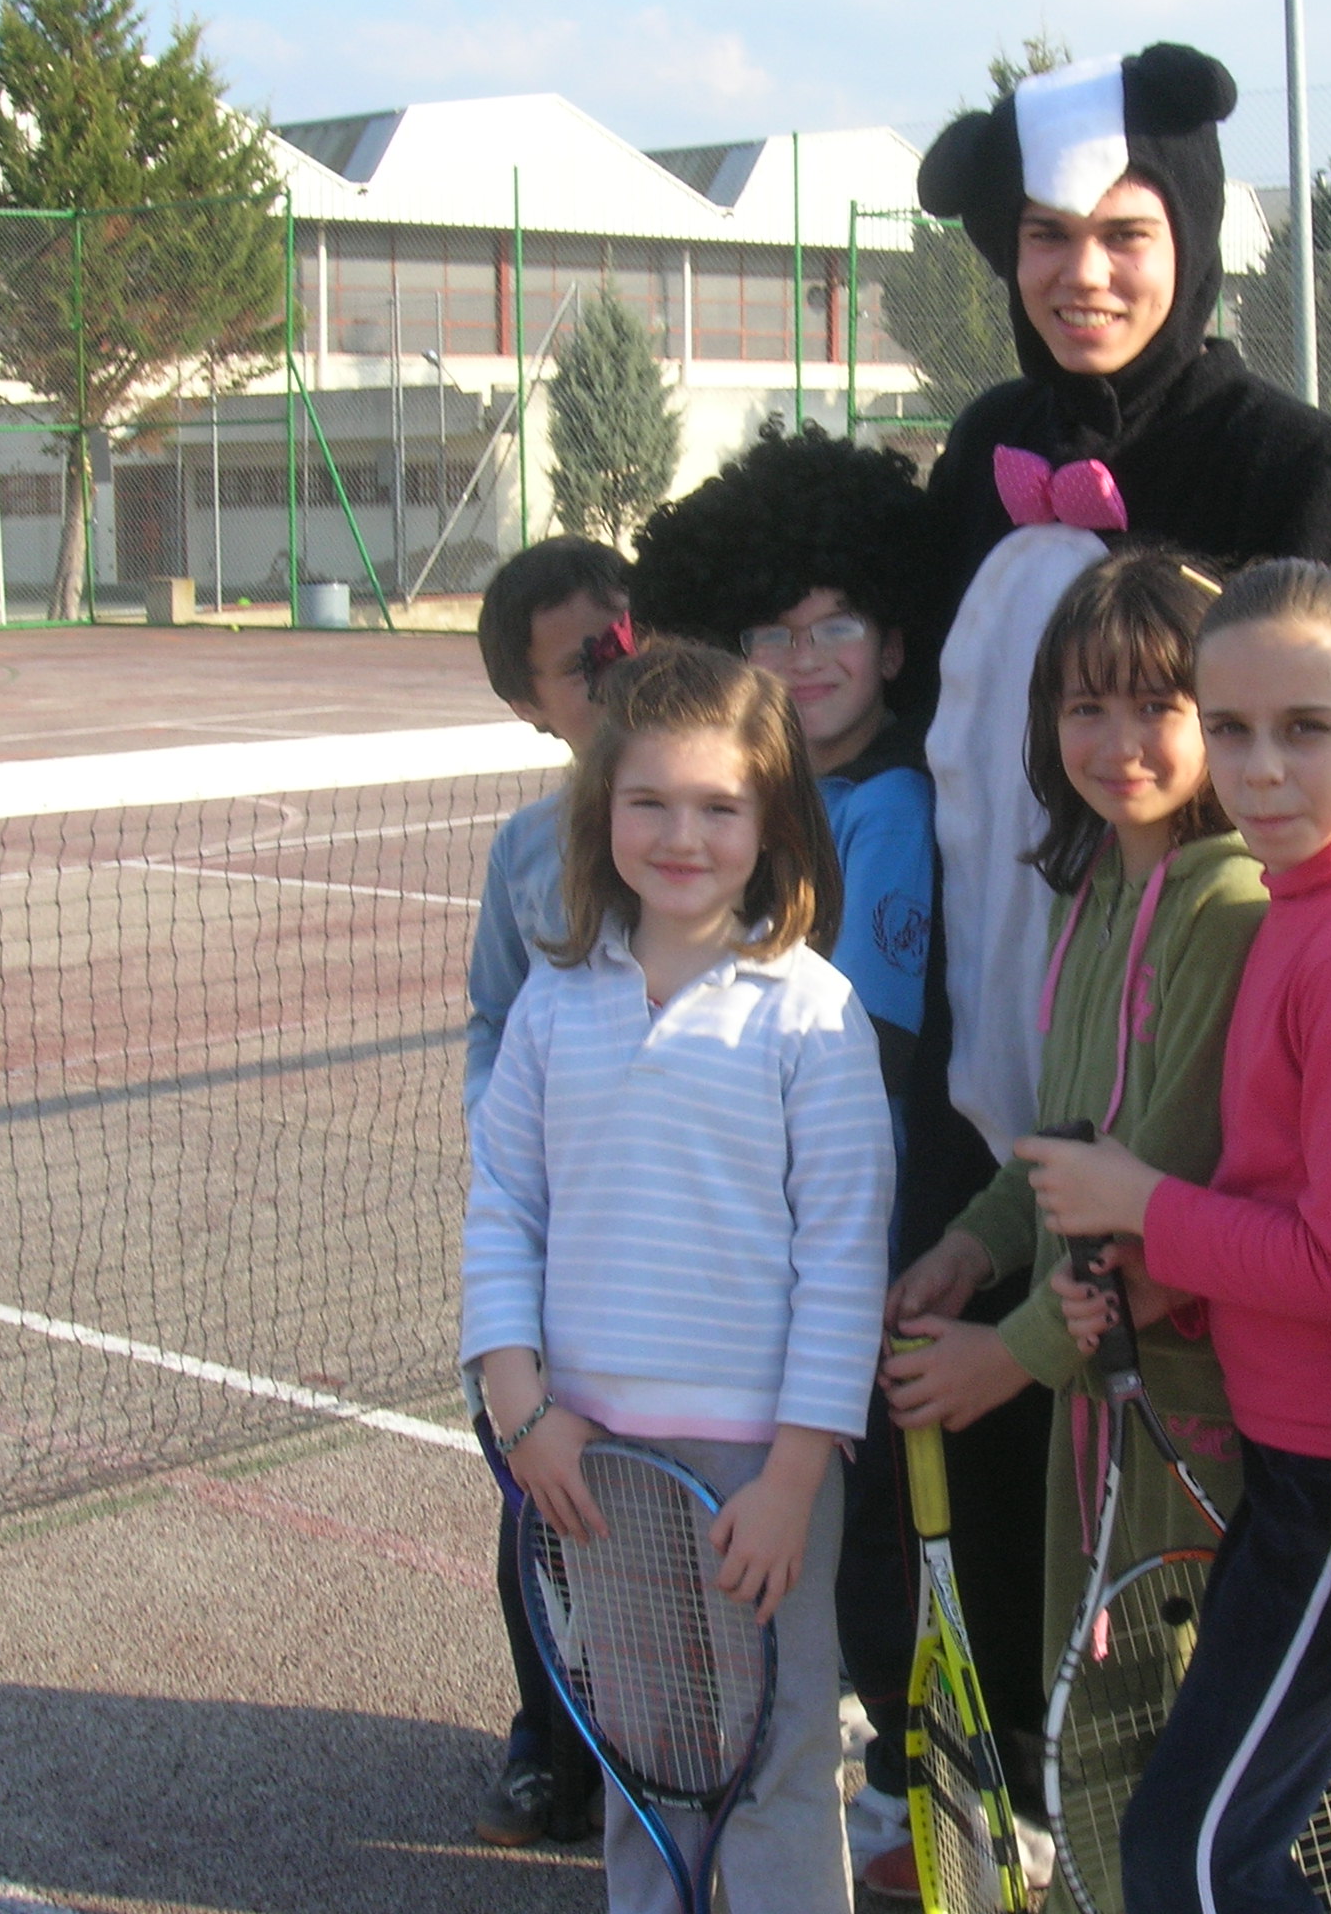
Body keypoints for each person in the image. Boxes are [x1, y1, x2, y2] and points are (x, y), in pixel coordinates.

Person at [913, 43, 1331, 1181]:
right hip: (983, 1038)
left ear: (1192, 238)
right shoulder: (983, 451)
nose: (1083, 273)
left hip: (1208, 1095)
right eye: (1046, 235)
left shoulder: (1309, 477)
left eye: (1125, 235)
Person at [1033, 558, 1331, 1914]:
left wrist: (1141, 1207)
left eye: (1306, 728)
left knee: (1193, 1857)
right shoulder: (1307, 910)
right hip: (1317, 1458)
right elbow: (1289, 1200)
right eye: (1231, 730)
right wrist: (1159, 1259)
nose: (1261, 769)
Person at [461, 642, 894, 1914]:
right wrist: (522, 1408)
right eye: (649, 802)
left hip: (763, 1470)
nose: (682, 836)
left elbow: (843, 1261)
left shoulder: (813, 1015)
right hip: (592, 1462)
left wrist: (795, 1479)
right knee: (645, 1754)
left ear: (772, 825)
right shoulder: (554, 1004)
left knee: (777, 1762)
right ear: (603, 812)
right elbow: (505, 1207)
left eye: (719, 806)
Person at [872, 548, 1267, 1909]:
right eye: (1085, 707)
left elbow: (1158, 1206)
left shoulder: (1232, 906)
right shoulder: (1090, 887)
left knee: (1170, 1762)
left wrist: (1007, 1357)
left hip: (1183, 1420)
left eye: (1160, 705)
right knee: (1093, 1746)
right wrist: (973, 1248)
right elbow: (1060, 1139)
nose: (1119, 742)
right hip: (1091, 1416)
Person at [630, 420, 944, 1884]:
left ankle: (889, 1789)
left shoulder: (886, 813)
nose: (807, 657)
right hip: (744, 1248)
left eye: (838, 627)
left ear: (894, 643)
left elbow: (863, 1055)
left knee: (852, 1532)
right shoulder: (758, 808)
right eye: (776, 630)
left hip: (841, 1238)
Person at [463, 535, 637, 1846]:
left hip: (678, 1249)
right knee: (540, 1494)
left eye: (628, 638)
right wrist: (513, 1153)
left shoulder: (729, 809)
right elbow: (492, 1019)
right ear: (531, 705)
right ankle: (551, 1741)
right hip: (561, 1240)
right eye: (583, 663)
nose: (616, 670)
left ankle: (673, 1741)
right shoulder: (524, 852)